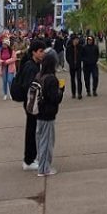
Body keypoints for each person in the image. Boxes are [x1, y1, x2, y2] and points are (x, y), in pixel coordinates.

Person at [35, 49, 64, 177]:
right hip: (48, 114)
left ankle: (42, 165)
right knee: (47, 142)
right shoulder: (51, 79)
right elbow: (55, 99)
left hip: (39, 112)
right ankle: (44, 168)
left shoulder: (39, 76)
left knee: (40, 140)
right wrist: (61, 90)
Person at [21, 39, 46, 171]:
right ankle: (28, 160)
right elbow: (28, 86)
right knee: (31, 131)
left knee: (33, 130)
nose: (43, 54)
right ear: (34, 52)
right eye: (41, 51)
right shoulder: (31, 67)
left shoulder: (35, 65)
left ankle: (31, 157)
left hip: (32, 103)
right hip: (31, 104)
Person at [65, 34, 83, 100]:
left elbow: (82, 55)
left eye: (77, 40)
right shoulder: (69, 48)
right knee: (72, 80)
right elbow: (67, 57)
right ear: (72, 40)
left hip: (78, 65)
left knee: (79, 79)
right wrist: (70, 62)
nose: (76, 41)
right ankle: (73, 93)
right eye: (75, 40)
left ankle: (79, 93)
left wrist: (80, 60)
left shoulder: (80, 47)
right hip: (72, 66)